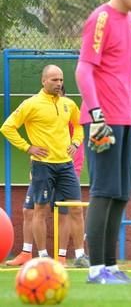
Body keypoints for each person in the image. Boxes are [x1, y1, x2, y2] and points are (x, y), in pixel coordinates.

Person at [75, 0, 131, 285]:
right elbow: (84, 69)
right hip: (101, 120)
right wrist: (96, 113)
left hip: (125, 119)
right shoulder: (100, 18)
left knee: (121, 193)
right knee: (103, 191)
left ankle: (112, 268)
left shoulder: (130, 20)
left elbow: (124, 75)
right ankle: (96, 270)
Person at [1, 65, 86, 266]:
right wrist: (27, 147)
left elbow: (80, 125)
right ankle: (43, 257)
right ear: (44, 81)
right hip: (42, 166)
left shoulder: (69, 104)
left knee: (75, 209)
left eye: (61, 80)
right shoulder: (31, 104)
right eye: (54, 80)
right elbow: (7, 127)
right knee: (39, 210)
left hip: (66, 165)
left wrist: (75, 143)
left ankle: (81, 256)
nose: (59, 84)